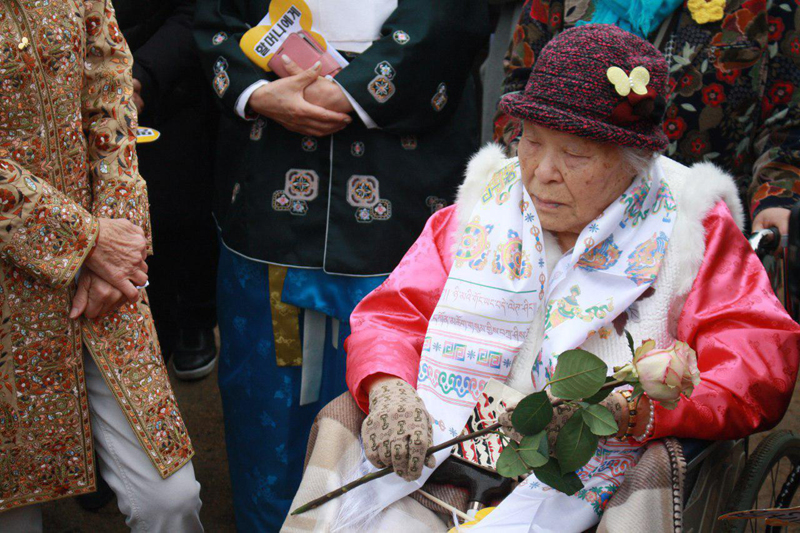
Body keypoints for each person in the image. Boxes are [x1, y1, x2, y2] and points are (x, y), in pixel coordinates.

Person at [284, 25, 800, 531]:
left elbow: (756, 360)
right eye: (531, 141)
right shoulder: (486, 202)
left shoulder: (689, 226)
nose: (540, 172)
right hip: (448, 446)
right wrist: (390, 387)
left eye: (574, 154)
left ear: (635, 160)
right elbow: (395, 314)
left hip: (597, 478)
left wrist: (627, 407)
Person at [193, 0, 491, 528]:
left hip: (402, 172)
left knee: (406, 391)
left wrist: (351, 88)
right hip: (271, 182)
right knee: (265, 401)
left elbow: (450, 17)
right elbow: (217, 18)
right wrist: (257, 92)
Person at [0, 1, 203, 531]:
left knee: (170, 499)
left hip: (102, 284)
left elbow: (110, 85)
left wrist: (118, 242)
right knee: (13, 512)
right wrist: (84, 239)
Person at [494, 0, 800, 241]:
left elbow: (787, 118)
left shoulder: (770, 6)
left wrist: (776, 197)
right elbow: (520, 89)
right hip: (559, 230)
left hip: (697, 229)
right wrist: (532, 172)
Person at [115, 0, 219, 381]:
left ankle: (192, 314)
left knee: (178, 210)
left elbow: (195, 12)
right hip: (70, 78)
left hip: (167, 84)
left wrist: (138, 75)